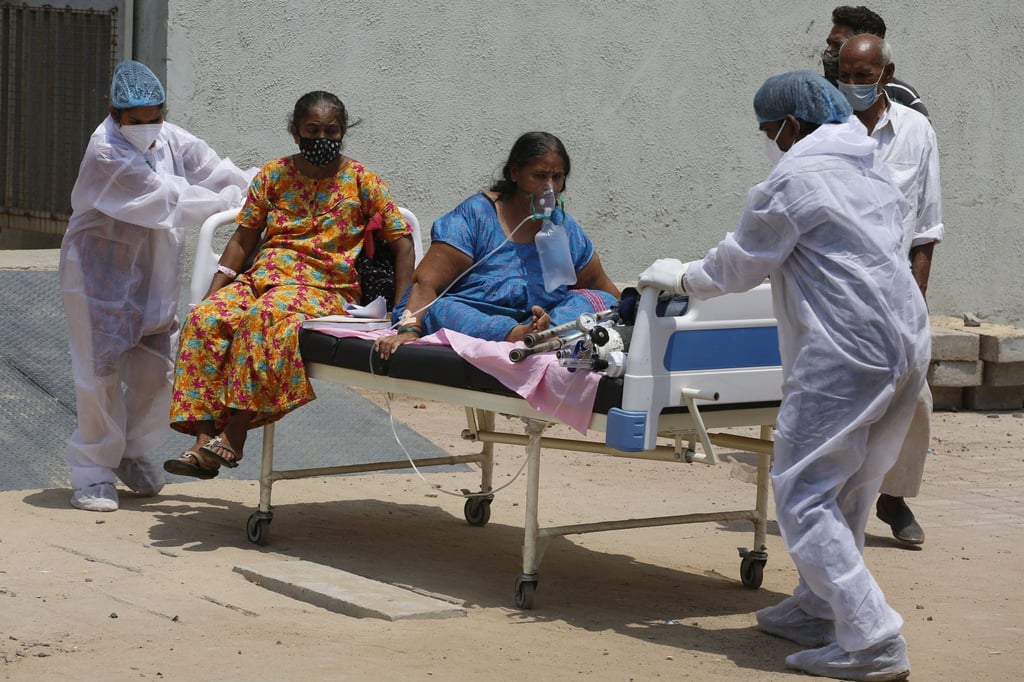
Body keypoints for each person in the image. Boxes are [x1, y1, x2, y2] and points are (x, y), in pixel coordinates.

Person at [638, 72, 928, 680]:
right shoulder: (867, 163)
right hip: (904, 339)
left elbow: (740, 265)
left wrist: (682, 276)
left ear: (791, 127)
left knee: (802, 493)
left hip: (846, 351)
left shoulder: (793, 177)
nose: (767, 140)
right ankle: (820, 607)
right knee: (848, 485)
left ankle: (872, 637)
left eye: (769, 131)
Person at [163, 91, 414, 479]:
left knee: (265, 317)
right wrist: (215, 290)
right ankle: (201, 441)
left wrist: (402, 313)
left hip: (325, 287)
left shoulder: (363, 181)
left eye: (331, 131)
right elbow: (243, 239)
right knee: (206, 319)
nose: (321, 138)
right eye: (312, 130)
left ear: (343, 133)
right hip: (264, 278)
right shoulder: (275, 175)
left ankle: (234, 434)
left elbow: (403, 244)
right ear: (295, 132)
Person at [60, 60, 254, 512]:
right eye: (136, 120)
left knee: (161, 376)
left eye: (154, 117)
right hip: (100, 279)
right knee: (99, 377)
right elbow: (165, 199)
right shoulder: (105, 150)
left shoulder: (169, 137)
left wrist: (255, 187)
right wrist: (228, 203)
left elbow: (212, 168)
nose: (146, 127)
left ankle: (128, 453)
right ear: (115, 113)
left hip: (156, 276)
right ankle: (92, 473)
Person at [374, 131, 619, 359]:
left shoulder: (561, 227)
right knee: (445, 309)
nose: (550, 188)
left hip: (540, 320)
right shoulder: (476, 217)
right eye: (540, 176)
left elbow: (601, 287)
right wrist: (410, 329)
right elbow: (425, 283)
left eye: (557, 177)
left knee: (596, 300)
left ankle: (543, 335)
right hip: (475, 315)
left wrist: (637, 313)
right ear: (514, 173)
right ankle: (517, 335)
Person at [838, 33, 942, 546]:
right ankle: (833, 501)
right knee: (841, 400)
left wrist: (916, 301)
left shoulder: (917, 132)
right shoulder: (827, 131)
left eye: (864, 76)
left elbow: (926, 227)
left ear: (887, 71)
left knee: (914, 399)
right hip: (837, 290)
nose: (855, 86)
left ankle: (893, 498)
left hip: (896, 291)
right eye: (847, 76)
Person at [821, 5, 930, 119]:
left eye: (837, 45)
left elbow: (923, 133)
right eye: (829, 43)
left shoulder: (901, 95)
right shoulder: (816, 93)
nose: (828, 50)